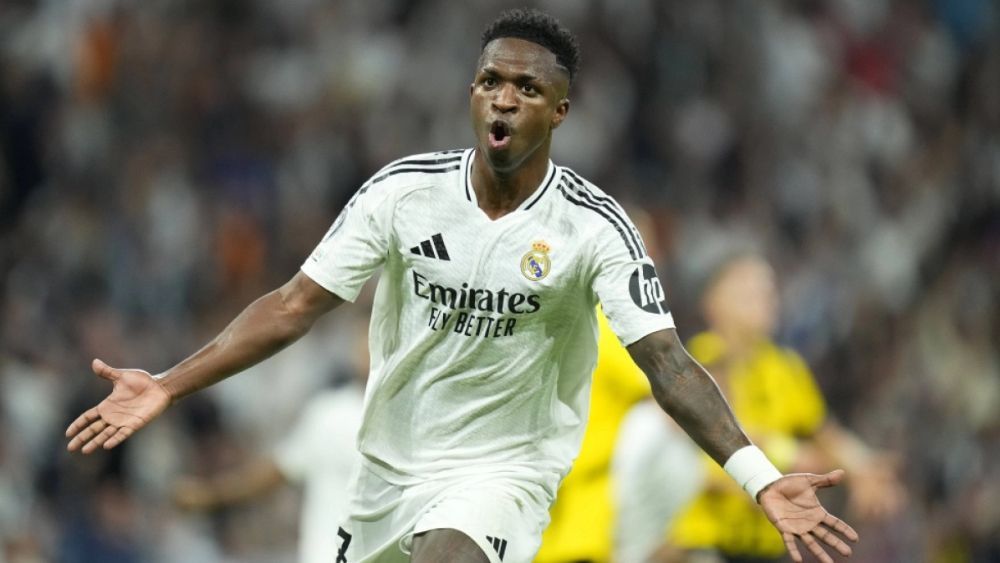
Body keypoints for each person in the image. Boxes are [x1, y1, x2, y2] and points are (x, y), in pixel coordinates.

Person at [66, 9, 858, 563]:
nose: (503, 96)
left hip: (503, 473)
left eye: (524, 87)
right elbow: (291, 307)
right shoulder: (401, 194)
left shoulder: (594, 229)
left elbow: (669, 363)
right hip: (388, 469)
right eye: (489, 80)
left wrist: (756, 476)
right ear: (472, 92)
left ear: (560, 110)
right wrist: (169, 384)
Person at [658, 252, 904, 562]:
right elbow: (706, 450)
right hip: (706, 543)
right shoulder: (699, 363)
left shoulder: (786, 370)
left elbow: (824, 433)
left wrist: (861, 468)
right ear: (713, 302)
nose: (766, 300)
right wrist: (789, 457)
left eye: (769, 292)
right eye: (749, 292)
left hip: (767, 547)